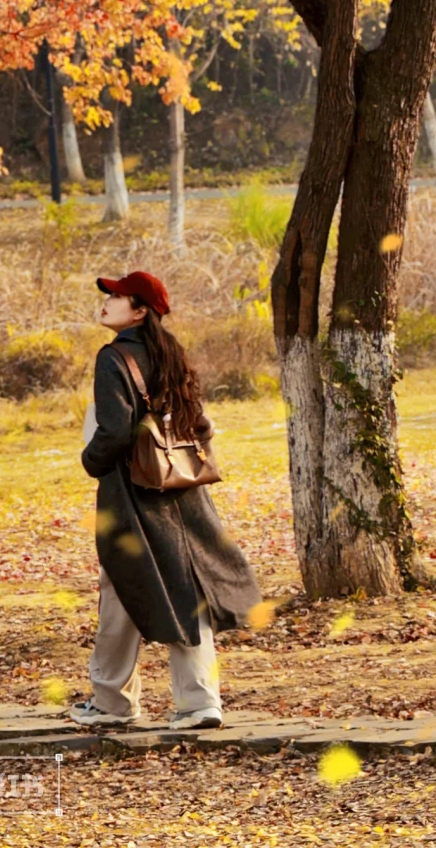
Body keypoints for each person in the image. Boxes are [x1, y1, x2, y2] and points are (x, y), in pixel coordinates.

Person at [70, 270, 261, 730]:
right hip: (182, 488)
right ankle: (199, 702)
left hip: (131, 492)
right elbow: (201, 423)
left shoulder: (113, 358)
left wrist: (91, 460)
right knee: (187, 589)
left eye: (116, 296)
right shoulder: (170, 352)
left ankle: (114, 702)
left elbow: (114, 431)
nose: (106, 302)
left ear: (140, 310)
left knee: (121, 587)